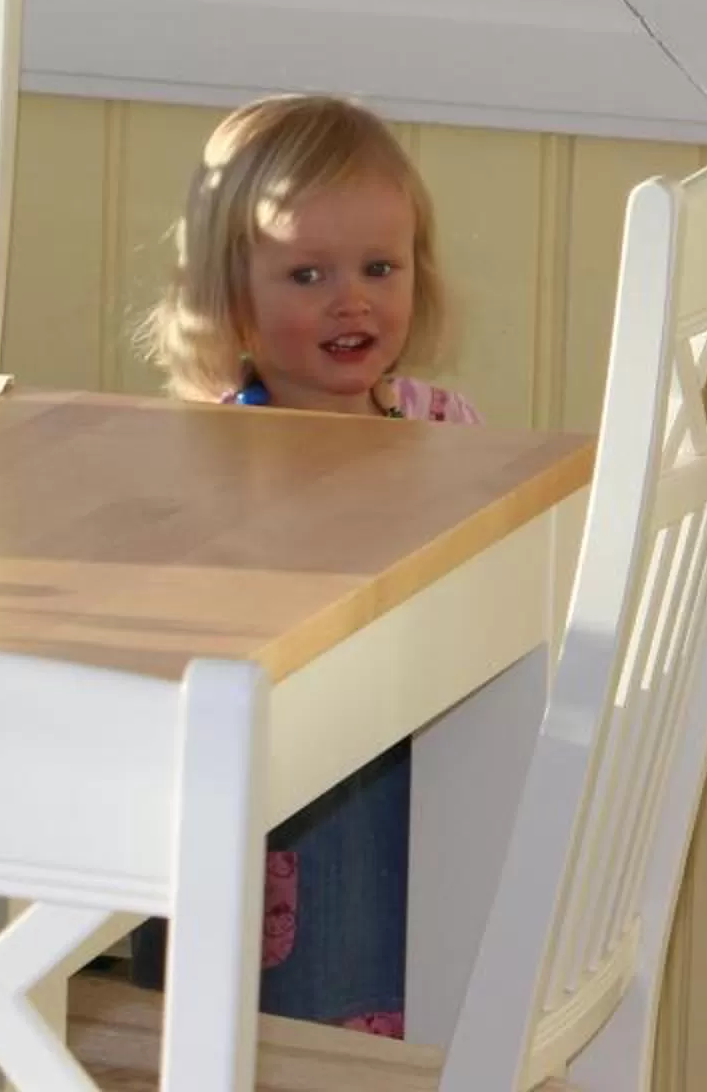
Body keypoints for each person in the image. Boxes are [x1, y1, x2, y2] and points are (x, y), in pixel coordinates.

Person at [139, 93, 479, 1035]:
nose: (351, 299)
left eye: (380, 267)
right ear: (233, 302)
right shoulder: (210, 458)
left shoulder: (448, 433)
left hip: (430, 794)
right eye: (307, 274)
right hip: (268, 810)